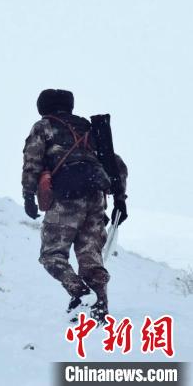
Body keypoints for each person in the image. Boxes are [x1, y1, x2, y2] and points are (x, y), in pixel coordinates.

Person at [22, 89, 128, 324]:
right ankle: (99, 313)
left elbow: (32, 161)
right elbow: (116, 164)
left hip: (66, 197)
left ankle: (79, 292)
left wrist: (28, 195)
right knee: (91, 259)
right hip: (96, 197)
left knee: (51, 256)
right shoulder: (90, 129)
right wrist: (120, 200)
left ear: (43, 106)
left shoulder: (44, 126)